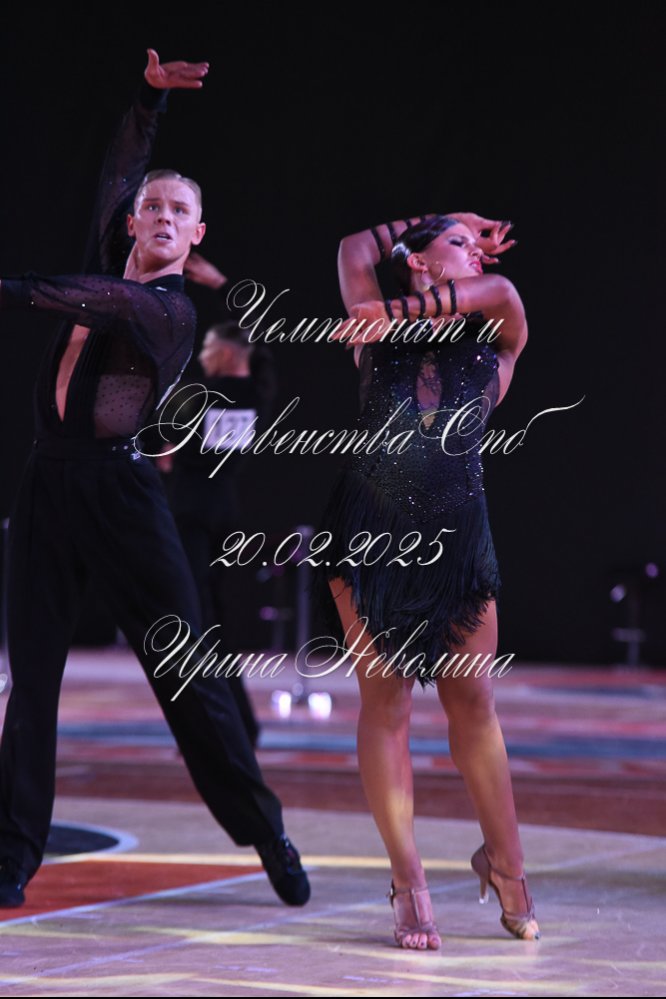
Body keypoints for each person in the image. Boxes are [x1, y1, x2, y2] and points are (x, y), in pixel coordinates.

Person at [0, 50, 309, 909]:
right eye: (154, 207)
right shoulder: (110, 256)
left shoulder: (168, 308)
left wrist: (11, 287)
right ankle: (12, 854)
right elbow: (119, 169)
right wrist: (149, 100)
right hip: (47, 484)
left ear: (197, 234)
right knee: (31, 678)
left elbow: (85, 298)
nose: (165, 216)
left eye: (181, 211)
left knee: (190, 680)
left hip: (125, 498)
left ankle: (265, 831)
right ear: (134, 222)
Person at [318, 211, 539, 948]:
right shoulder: (374, 324)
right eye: (459, 243)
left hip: (458, 538)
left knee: (473, 701)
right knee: (386, 706)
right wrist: (430, 219)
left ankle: (507, 865)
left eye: (476, 244)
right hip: (369, 533)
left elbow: (497, 289)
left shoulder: (497, 324)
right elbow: (354, 247)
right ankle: (408, 879)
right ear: (415, 259)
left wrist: (442, 246)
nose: (476, 252)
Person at [157, 264, 278, 748]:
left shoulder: (197, 391)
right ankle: (237, 725)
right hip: (227, 510)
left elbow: (163, 453)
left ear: (226, 352)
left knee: (194, 622)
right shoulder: (258, 394)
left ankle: (222, 725)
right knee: (214, 622)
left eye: (209, 349)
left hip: (189, 509)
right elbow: (263, 340)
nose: (203, 356)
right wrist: (224, 286)